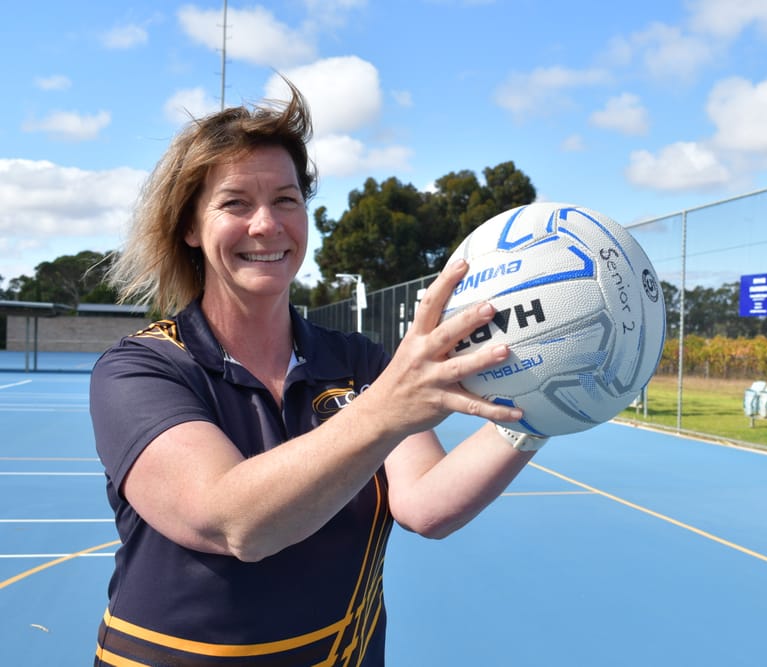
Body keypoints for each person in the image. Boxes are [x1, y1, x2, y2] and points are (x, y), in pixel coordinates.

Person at [90, 82, 548, 666]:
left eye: (286, 199)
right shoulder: (142, 369)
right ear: (190, 227)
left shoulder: (358, 363)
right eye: (235, 203)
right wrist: (386, 409)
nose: (266, 224)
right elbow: (234, 523)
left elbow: (426, 504)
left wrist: (546, 400)